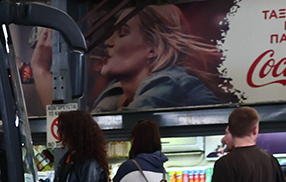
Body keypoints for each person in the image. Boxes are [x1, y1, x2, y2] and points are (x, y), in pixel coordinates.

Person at [29, 6, 225, 113]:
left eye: (122, 34)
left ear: (153, 48)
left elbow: (86, 137)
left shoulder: (169, 83)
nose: (108, 43)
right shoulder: (117, 91)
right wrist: (40, 70)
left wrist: (40, 70)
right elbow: (84, 130)